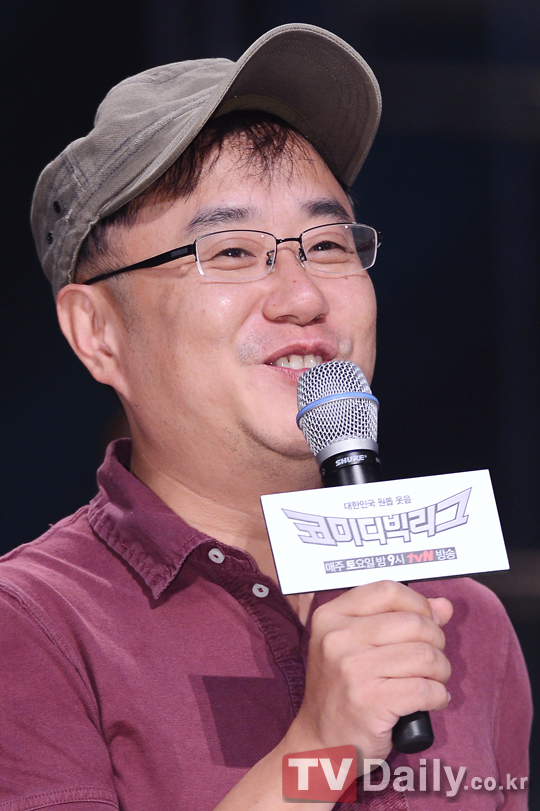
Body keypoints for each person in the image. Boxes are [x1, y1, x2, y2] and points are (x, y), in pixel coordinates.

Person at [0, 23, 531, 811]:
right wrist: (321, 751)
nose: (303, 295)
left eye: (329, 244)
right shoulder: (35, 625)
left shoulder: (461, 623)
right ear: (97, 331)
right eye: (232, 252)